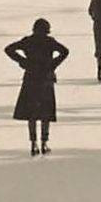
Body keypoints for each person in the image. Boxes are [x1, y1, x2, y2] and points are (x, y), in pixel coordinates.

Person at [5, 18, 70, 156]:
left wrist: (23, 61)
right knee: (46, 112)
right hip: (46, 78)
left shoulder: (28, 41)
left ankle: (33, 142)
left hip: (31, 77)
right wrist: (53, 64)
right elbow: (65, 51)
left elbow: (9, 49)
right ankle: (44, 142)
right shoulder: (49, 41)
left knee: (31, 113)